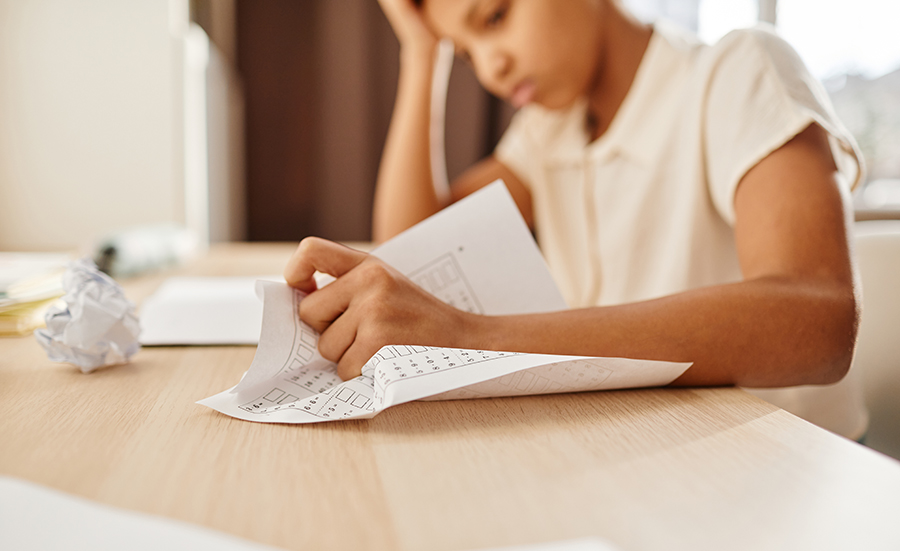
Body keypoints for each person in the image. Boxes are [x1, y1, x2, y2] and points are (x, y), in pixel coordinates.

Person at [284, 0, 867, 438]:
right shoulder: (549, 132)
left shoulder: (737, 72)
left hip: (780, 465)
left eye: (493, 19)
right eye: (464, 53)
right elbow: (412, 247)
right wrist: (421, 53)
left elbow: (816, 317)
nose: (490, 67)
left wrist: (472, 339)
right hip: (640, 452)